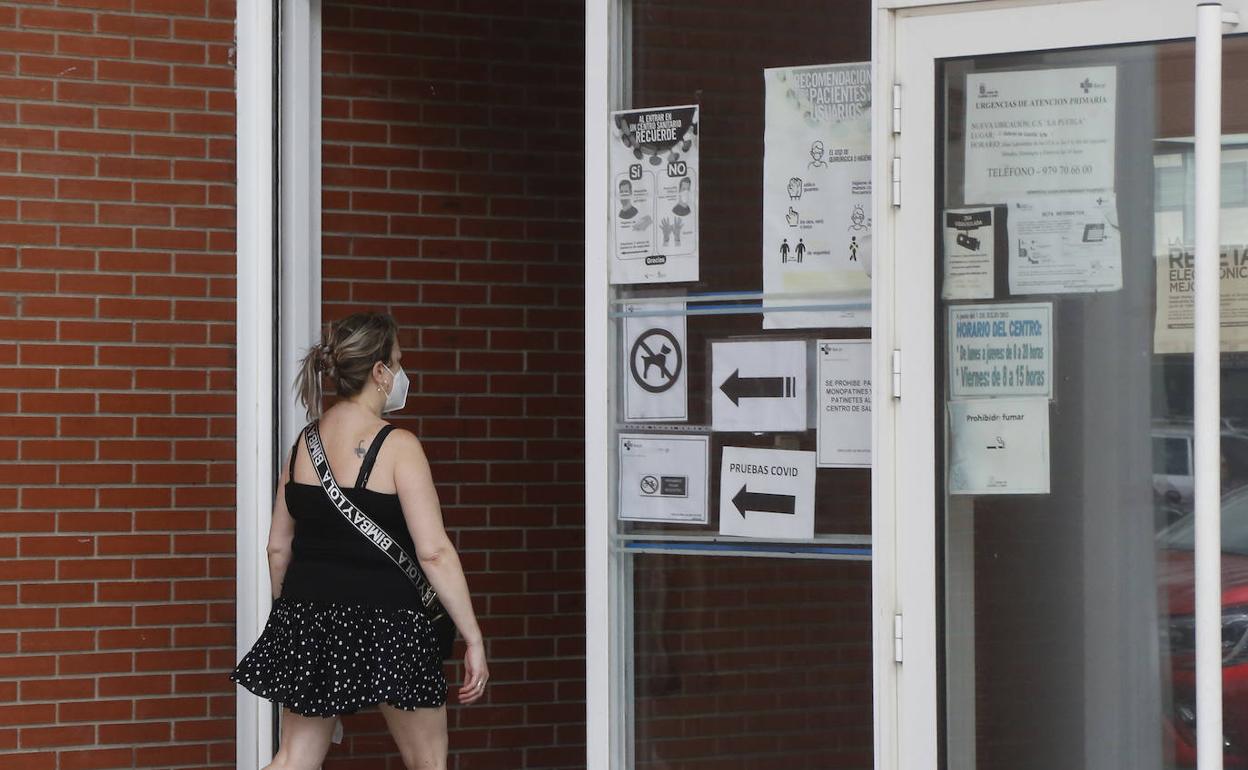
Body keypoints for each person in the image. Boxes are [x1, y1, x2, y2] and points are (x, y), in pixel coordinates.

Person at [230, 312, 487, 770]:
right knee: (427, 762)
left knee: (292, 759)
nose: (403, 373)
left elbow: (277, 548)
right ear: (379, 372)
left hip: (309, 617)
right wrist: (473, 636)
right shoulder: (399, 445)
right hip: (393, 624)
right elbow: (434, 552)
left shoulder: (304, 444)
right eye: (398, 361)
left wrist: (292, 617)